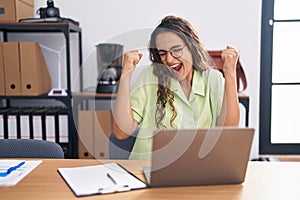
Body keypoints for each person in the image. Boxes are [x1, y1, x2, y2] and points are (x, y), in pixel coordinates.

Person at [112, 15, 240, 160]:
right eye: (163, 53)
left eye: (176, 50)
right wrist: (125, 76)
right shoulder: (150, 76)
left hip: (196, 169)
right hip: (147, 167)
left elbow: (228, 131)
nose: (170, 59)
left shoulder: (212, 79)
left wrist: (230, 74)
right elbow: (121, 133)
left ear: (192, 47)